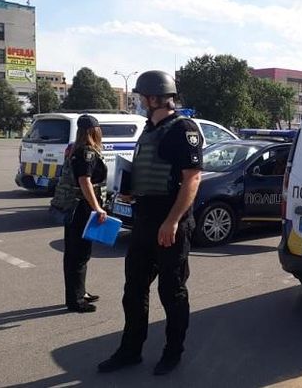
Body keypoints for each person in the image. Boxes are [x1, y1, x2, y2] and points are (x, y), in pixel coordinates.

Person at [98, 70, 203, 376]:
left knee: (172, 292)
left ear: (155, 98)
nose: (140, 102)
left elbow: (192, 179)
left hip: (170, 223)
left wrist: (172, 221)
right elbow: (149, 169)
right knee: (133, 290)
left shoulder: (183, 129)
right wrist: (132, 189)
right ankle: (130, 350)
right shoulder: (148, 129)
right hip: (144, 220)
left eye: (142, 97)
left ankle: (173, 352)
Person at [61, 114, 108, 313]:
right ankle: (76, 300)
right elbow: (84, 181)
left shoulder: (75, 149)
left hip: (75, 207)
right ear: (93, 131)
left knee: (76, 253)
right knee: (79, 254)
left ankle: (79, 291)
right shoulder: (87, 152)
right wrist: (97, 207)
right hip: (82, 207)